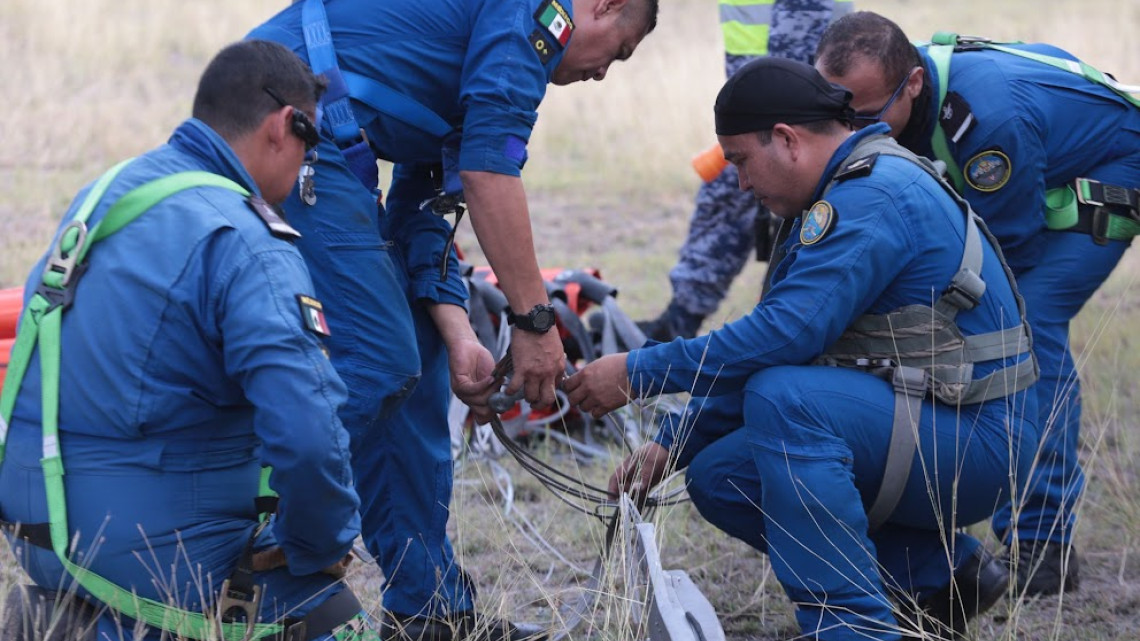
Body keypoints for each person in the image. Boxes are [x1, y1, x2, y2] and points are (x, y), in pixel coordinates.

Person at [566, 58, 1040, 641]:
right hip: (935, 422)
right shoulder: (842, 187)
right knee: (720, 475)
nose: (739, 183)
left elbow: (785, 337)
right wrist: (673, 444)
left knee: (787, 400)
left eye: (740, 161)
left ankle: (852, 628)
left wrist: (639, 372)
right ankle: (935, 576)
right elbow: (778, 343)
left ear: (787, 140)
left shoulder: (870, 197)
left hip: (981, 442)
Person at [246, 1, 659, 638]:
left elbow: (424, 205)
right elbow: (489, 172)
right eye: (619, 49)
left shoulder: (484, 49)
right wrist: (535, 323)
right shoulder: (530, 16)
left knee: (416, 353)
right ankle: (249, 547)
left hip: (322, 130)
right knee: (376, 358)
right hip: (282, 122)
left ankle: (430, 609)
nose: (606, 72)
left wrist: (463, 334)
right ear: (602, 4)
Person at [0, 40, 374, 640]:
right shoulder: (248, 240)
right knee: (334, 619)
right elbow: (309, 436)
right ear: (283, 127)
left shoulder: (112, 191)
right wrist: (319, 545)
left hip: (36, 524)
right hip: (133, 545)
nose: (308, 170)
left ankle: (87, 624)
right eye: (311, 147)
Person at [813, 11, 1140, 597]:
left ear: (912, 83)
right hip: (1036, 162)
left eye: (864, 115)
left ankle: (1044, 542)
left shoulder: (984, 123)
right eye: (840, 112)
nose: (850, 127)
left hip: (1113, 169)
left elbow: (1002, 256)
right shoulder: (878, 90)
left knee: (1025, 324)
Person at [639, 0, 854, 342]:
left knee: (798, 192)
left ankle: (780, 320)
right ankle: (683, 319)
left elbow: (796, 129)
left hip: (784, 94)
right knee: (730, 186)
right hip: (752, 96)